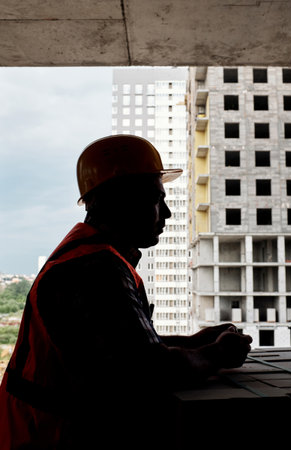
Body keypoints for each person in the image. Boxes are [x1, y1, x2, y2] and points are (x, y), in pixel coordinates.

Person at [0, 135, 252, 449]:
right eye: (156, 199)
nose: (167, 213)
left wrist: (194, 342)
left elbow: (121, 348)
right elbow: (150, 371)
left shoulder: (90, 258)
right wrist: (217, 354)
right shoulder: (94, 270)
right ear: (120, 201)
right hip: (51, 436)